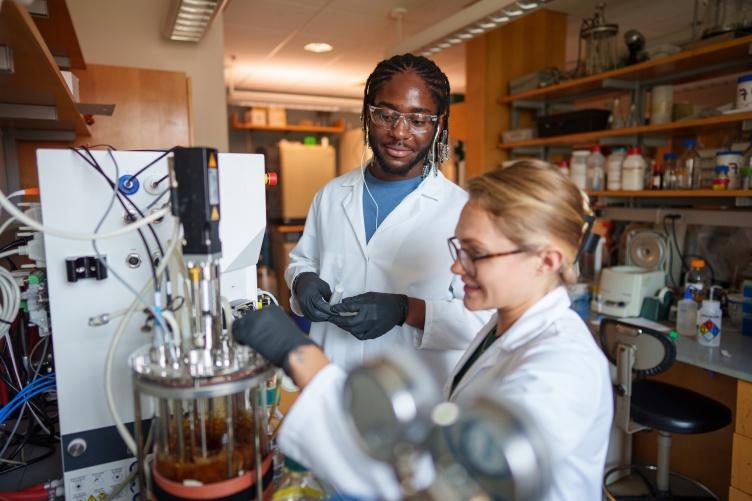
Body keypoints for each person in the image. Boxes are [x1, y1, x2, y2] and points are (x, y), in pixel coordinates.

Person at [234, 160, 614, 500]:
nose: (456, 268)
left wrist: (303, 358)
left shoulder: (563, 369)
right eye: (458, 248)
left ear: (545, 260)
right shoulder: (503, 330)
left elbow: (449, 484)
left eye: (476, 253)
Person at [286, 54, 490, 381]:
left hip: (414, 399)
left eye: (419, 119)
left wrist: (407, 310)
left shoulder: (463, 210)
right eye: (386, 114)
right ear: (367, 114)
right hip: (330, 382)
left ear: (440, 123)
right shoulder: (331, 194)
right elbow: (303, 260)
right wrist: (302, 281)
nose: (399, 132)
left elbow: (484, 321)